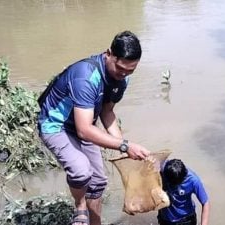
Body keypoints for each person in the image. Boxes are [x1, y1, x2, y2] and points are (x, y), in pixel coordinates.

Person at [37, 30, 150, 225]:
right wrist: (125, 146)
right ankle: (80, 206)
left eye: (130, 70)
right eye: (120, 67)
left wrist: (123, 147)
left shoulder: (122, 79)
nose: (123, 74)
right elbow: (84, 130)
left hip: (85, 122)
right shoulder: (86, 76)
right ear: (109, 54)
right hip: (57, 126)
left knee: (98, 181)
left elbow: (107, 113)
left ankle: (95, 223)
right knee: (81, 171)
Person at [158, 159, 210, 225]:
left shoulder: (193, 181)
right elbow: (151, 158)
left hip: (186, 219)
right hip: (165, 219)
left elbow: (205, 202)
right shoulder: (163, 169)